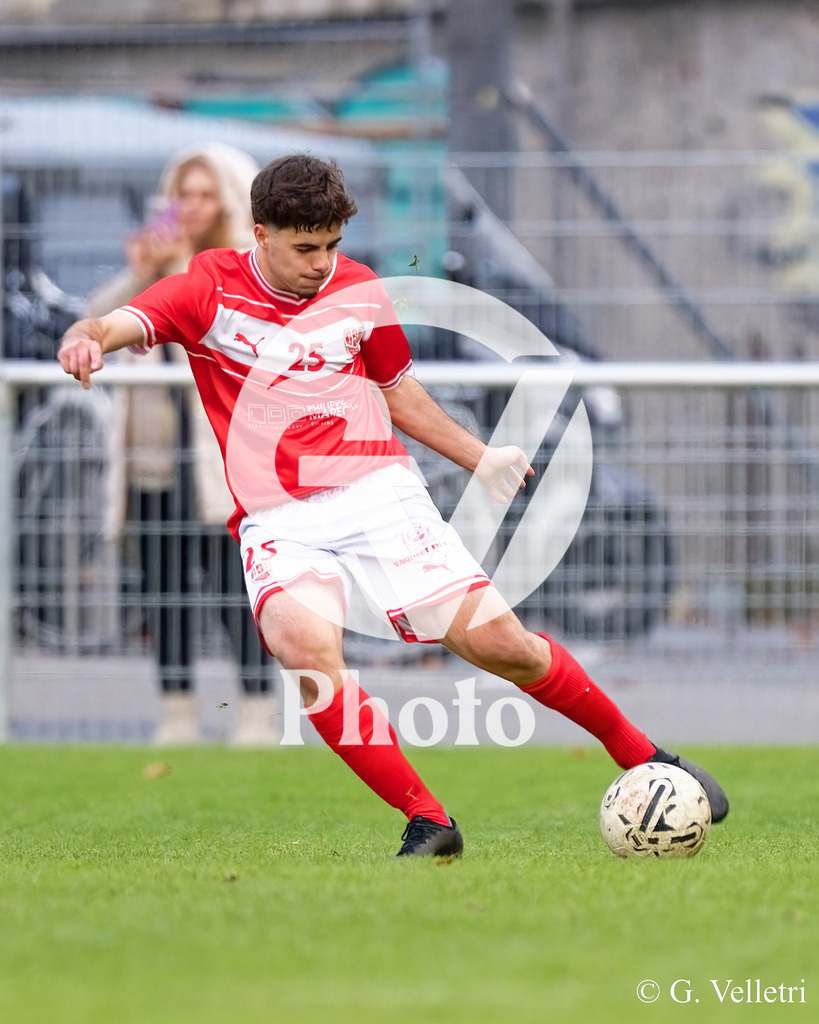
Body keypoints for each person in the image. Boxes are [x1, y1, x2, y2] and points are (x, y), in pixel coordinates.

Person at [58, 153, 728, 858]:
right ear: (260, 234)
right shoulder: (207, 290)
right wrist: (83, 339)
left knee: (500, 647)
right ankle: (427, 820)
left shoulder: (359, 290)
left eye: (332, 245)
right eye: (304, 247)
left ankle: (646, 754)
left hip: (376, 493)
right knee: (300, 647)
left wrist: (480, 455)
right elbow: (114, 324)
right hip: (277, 516)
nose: (322, 263)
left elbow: (399, 393)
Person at [85, 142, 277, 745]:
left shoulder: (237, 264)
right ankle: (175, 713)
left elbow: (210, 323)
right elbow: (96, 323)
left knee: (232, 589)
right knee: (162, 591)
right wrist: (141, 270)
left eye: (204, 194)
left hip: (219, 462)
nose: (191, 207)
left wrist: (168, 271)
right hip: (153, 459)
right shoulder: (156, 262)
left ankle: (253, 712)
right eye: (182, 195)